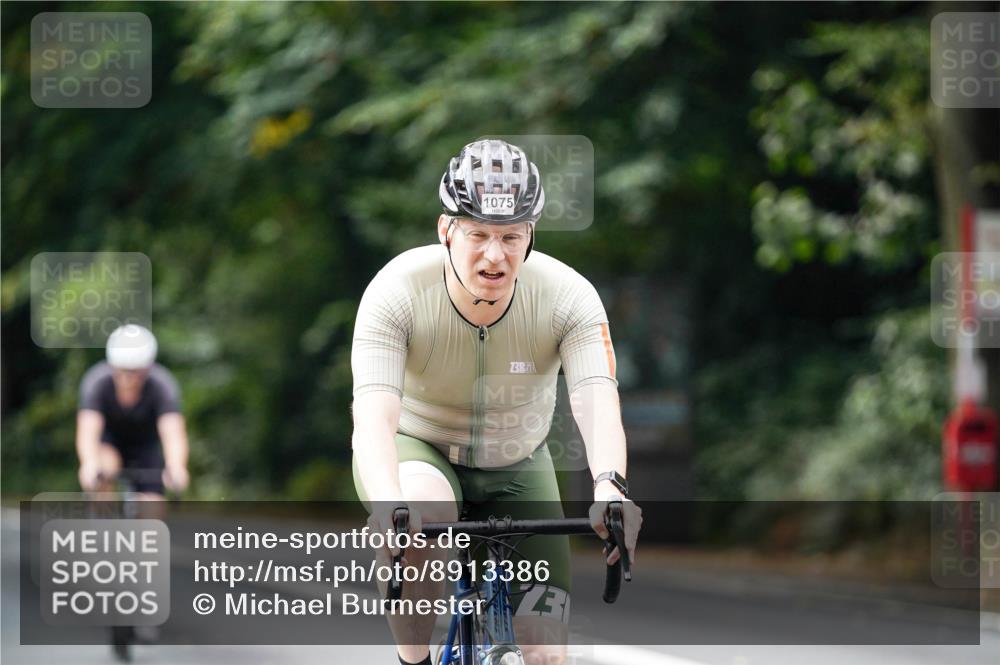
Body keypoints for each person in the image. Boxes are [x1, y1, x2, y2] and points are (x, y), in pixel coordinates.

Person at [351, 139, 642, 665]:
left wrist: (609, 486)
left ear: (531, 235)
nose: (494, 255)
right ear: (446, 231)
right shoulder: (395, 290)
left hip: (519, 464)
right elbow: (374, 419)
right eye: (479, 235)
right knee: (423, 509)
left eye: (511, 237)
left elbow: (597, 400)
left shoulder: (568, 297)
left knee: (548, 653)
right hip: (421, 451)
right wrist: (386, 500)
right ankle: (412, 660)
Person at [76, 324, 190, 500]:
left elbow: (173, 432)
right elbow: (88, 430)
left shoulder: (162, 385)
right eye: (122, 371)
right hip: (109, 445)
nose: (128, 379)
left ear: (147, 369)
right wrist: (88, 464)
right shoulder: (97, 383)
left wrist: (176, 466)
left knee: (152, 508)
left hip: (146, 448)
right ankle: (102, 522)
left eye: (135, 372)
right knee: (102, 472)